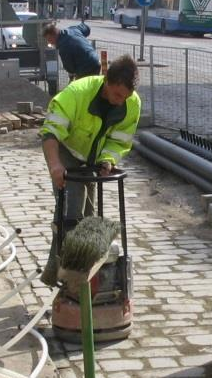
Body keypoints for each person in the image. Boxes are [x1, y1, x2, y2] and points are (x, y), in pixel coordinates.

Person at [38, 55, 142, 285]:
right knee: (71, 212)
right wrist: (55, 165)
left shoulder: (131, 103)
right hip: (66, 151)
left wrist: (107, 160)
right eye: (116, 94)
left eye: (124, 97)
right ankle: (61, 277)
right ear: (106, 80)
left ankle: (84, 276)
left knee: (88, 215)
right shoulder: (77, 94)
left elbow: (120, 141)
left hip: (91, 159)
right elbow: (51, 132)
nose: (119, 101)